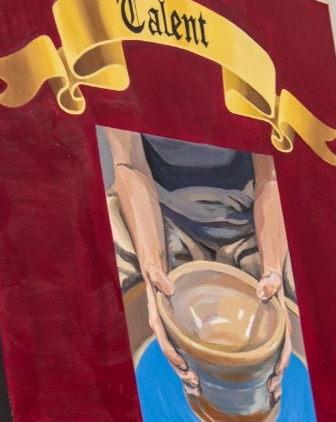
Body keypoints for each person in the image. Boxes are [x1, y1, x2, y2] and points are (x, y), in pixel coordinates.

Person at [105, 128, 292, 404]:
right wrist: (152, 268)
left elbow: (271, 178)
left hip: (251, 215)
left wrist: (273, 269)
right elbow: (130, 165)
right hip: (157, 210)